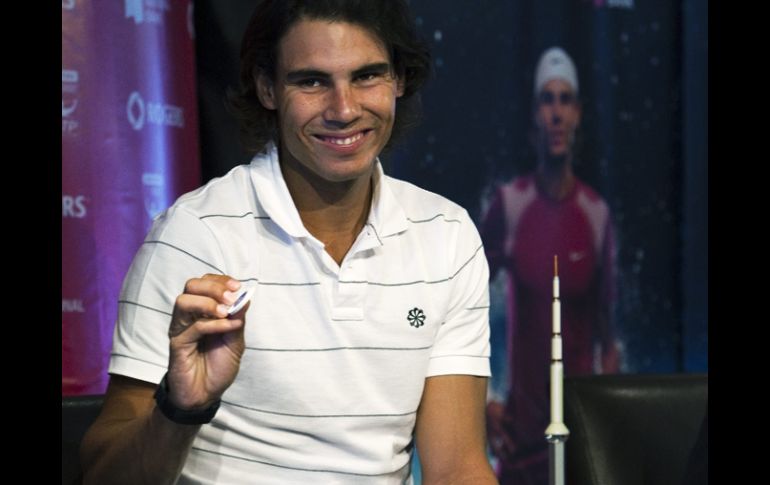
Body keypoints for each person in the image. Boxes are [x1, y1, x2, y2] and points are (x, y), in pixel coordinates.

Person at [79, 1, 497, 484]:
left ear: (400, 81)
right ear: (267, 88)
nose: (344, 109)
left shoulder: (447, 235)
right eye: (312, 81)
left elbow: (457, 470)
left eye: (367, 76)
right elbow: (103, 477)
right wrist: (180, 407)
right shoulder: (195, 235)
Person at [480, 46, 621, 484]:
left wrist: (609, 422)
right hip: (521, 443)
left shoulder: (597, 216)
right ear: (534, 116)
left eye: (565, 100)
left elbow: (608, 339)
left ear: (577, 113)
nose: (556, 113)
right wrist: (482, 399)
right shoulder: (510, 206)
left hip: (581, 439)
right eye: (547, 99)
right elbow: (457, 307)